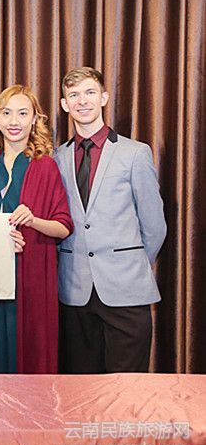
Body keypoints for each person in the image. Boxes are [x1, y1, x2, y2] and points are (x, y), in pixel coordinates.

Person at [55, 67, 166, 373]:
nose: (82, 101)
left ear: (104, 97)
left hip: (126, 288)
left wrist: (130, 262)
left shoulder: (135, 153)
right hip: (74, 291)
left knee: (126, 388)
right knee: (82, 388)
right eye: (74, 95)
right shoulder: (56, 158)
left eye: (90, 92)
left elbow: (154, 226)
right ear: (64, 104)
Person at [0, 85, 73, 373]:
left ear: (34, 119)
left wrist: (33, 221)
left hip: (31, 277)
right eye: (6, 113)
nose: (14, 121)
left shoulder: (45, 167)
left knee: (29, 358)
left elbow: (63, 227)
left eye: (22, 113)